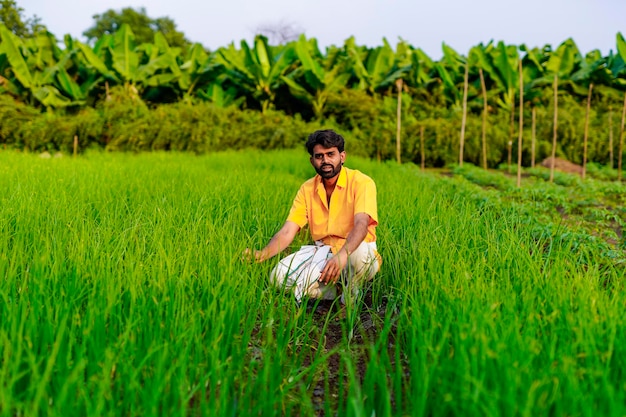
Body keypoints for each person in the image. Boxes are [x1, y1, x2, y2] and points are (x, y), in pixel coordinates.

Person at [245, 129, 381, 306]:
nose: (325, 161)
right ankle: (336, 290)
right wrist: (262, 253)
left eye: (330, 154)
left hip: (354, 250)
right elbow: (288, 230)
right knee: (277, 278)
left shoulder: (362, 182)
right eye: (319, 156)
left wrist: (342, 255)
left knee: (360, 255)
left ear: (342, 156)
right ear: (312, 161)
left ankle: (351, 295)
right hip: (323, 252)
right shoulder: (307, 188)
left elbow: (362, 224)